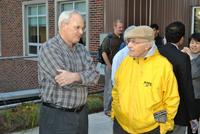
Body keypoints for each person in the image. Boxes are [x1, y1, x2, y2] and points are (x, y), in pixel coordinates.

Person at [38, 10, 99, 134]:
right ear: (63, 26)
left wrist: (75, 76)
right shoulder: (49, 48)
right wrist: (84, 77)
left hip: (81, 115)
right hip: (57, 117)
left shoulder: (82, 49)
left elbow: (96, 77)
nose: (81, 32)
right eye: (77, 27)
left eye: (82, 28)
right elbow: (65, 82)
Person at [112, 25, 180, 134]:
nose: (129, 45)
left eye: (134, 42)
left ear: (147, 45)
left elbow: (171, 99)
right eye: (129, 41)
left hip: (151, 129)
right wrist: (116, 112)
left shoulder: (163, 66)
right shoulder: (125, 62)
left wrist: (162, 125)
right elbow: (116, 89)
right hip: (121, 125)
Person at [158, 21, 199, 134]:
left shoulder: (156, 52)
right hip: (177, 109)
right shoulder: (182, 57)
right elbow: (187, 87)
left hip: (158, 106)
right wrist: (192, 116)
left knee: (160, 129)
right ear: (181, 39)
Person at [101, 19, 124, 116]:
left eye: (122, 27)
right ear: (114, 27)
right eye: (119, 27)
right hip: (110, 67)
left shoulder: (123, 38)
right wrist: (110, 66)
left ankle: (115, 108)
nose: (121, 29)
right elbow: (103, 53)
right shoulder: (108, 38)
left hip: (121, 68)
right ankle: (107, 109)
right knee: (109, 89)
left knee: (118, 88)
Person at [182, 33, 200, 134]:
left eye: (197, 43)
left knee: (193, 125)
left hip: (196, 97)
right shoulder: (184, 55)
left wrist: (189, 56)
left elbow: (195, 73)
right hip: (184, 95)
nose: (194, 45)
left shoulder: (192, 57)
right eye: (192, 42)